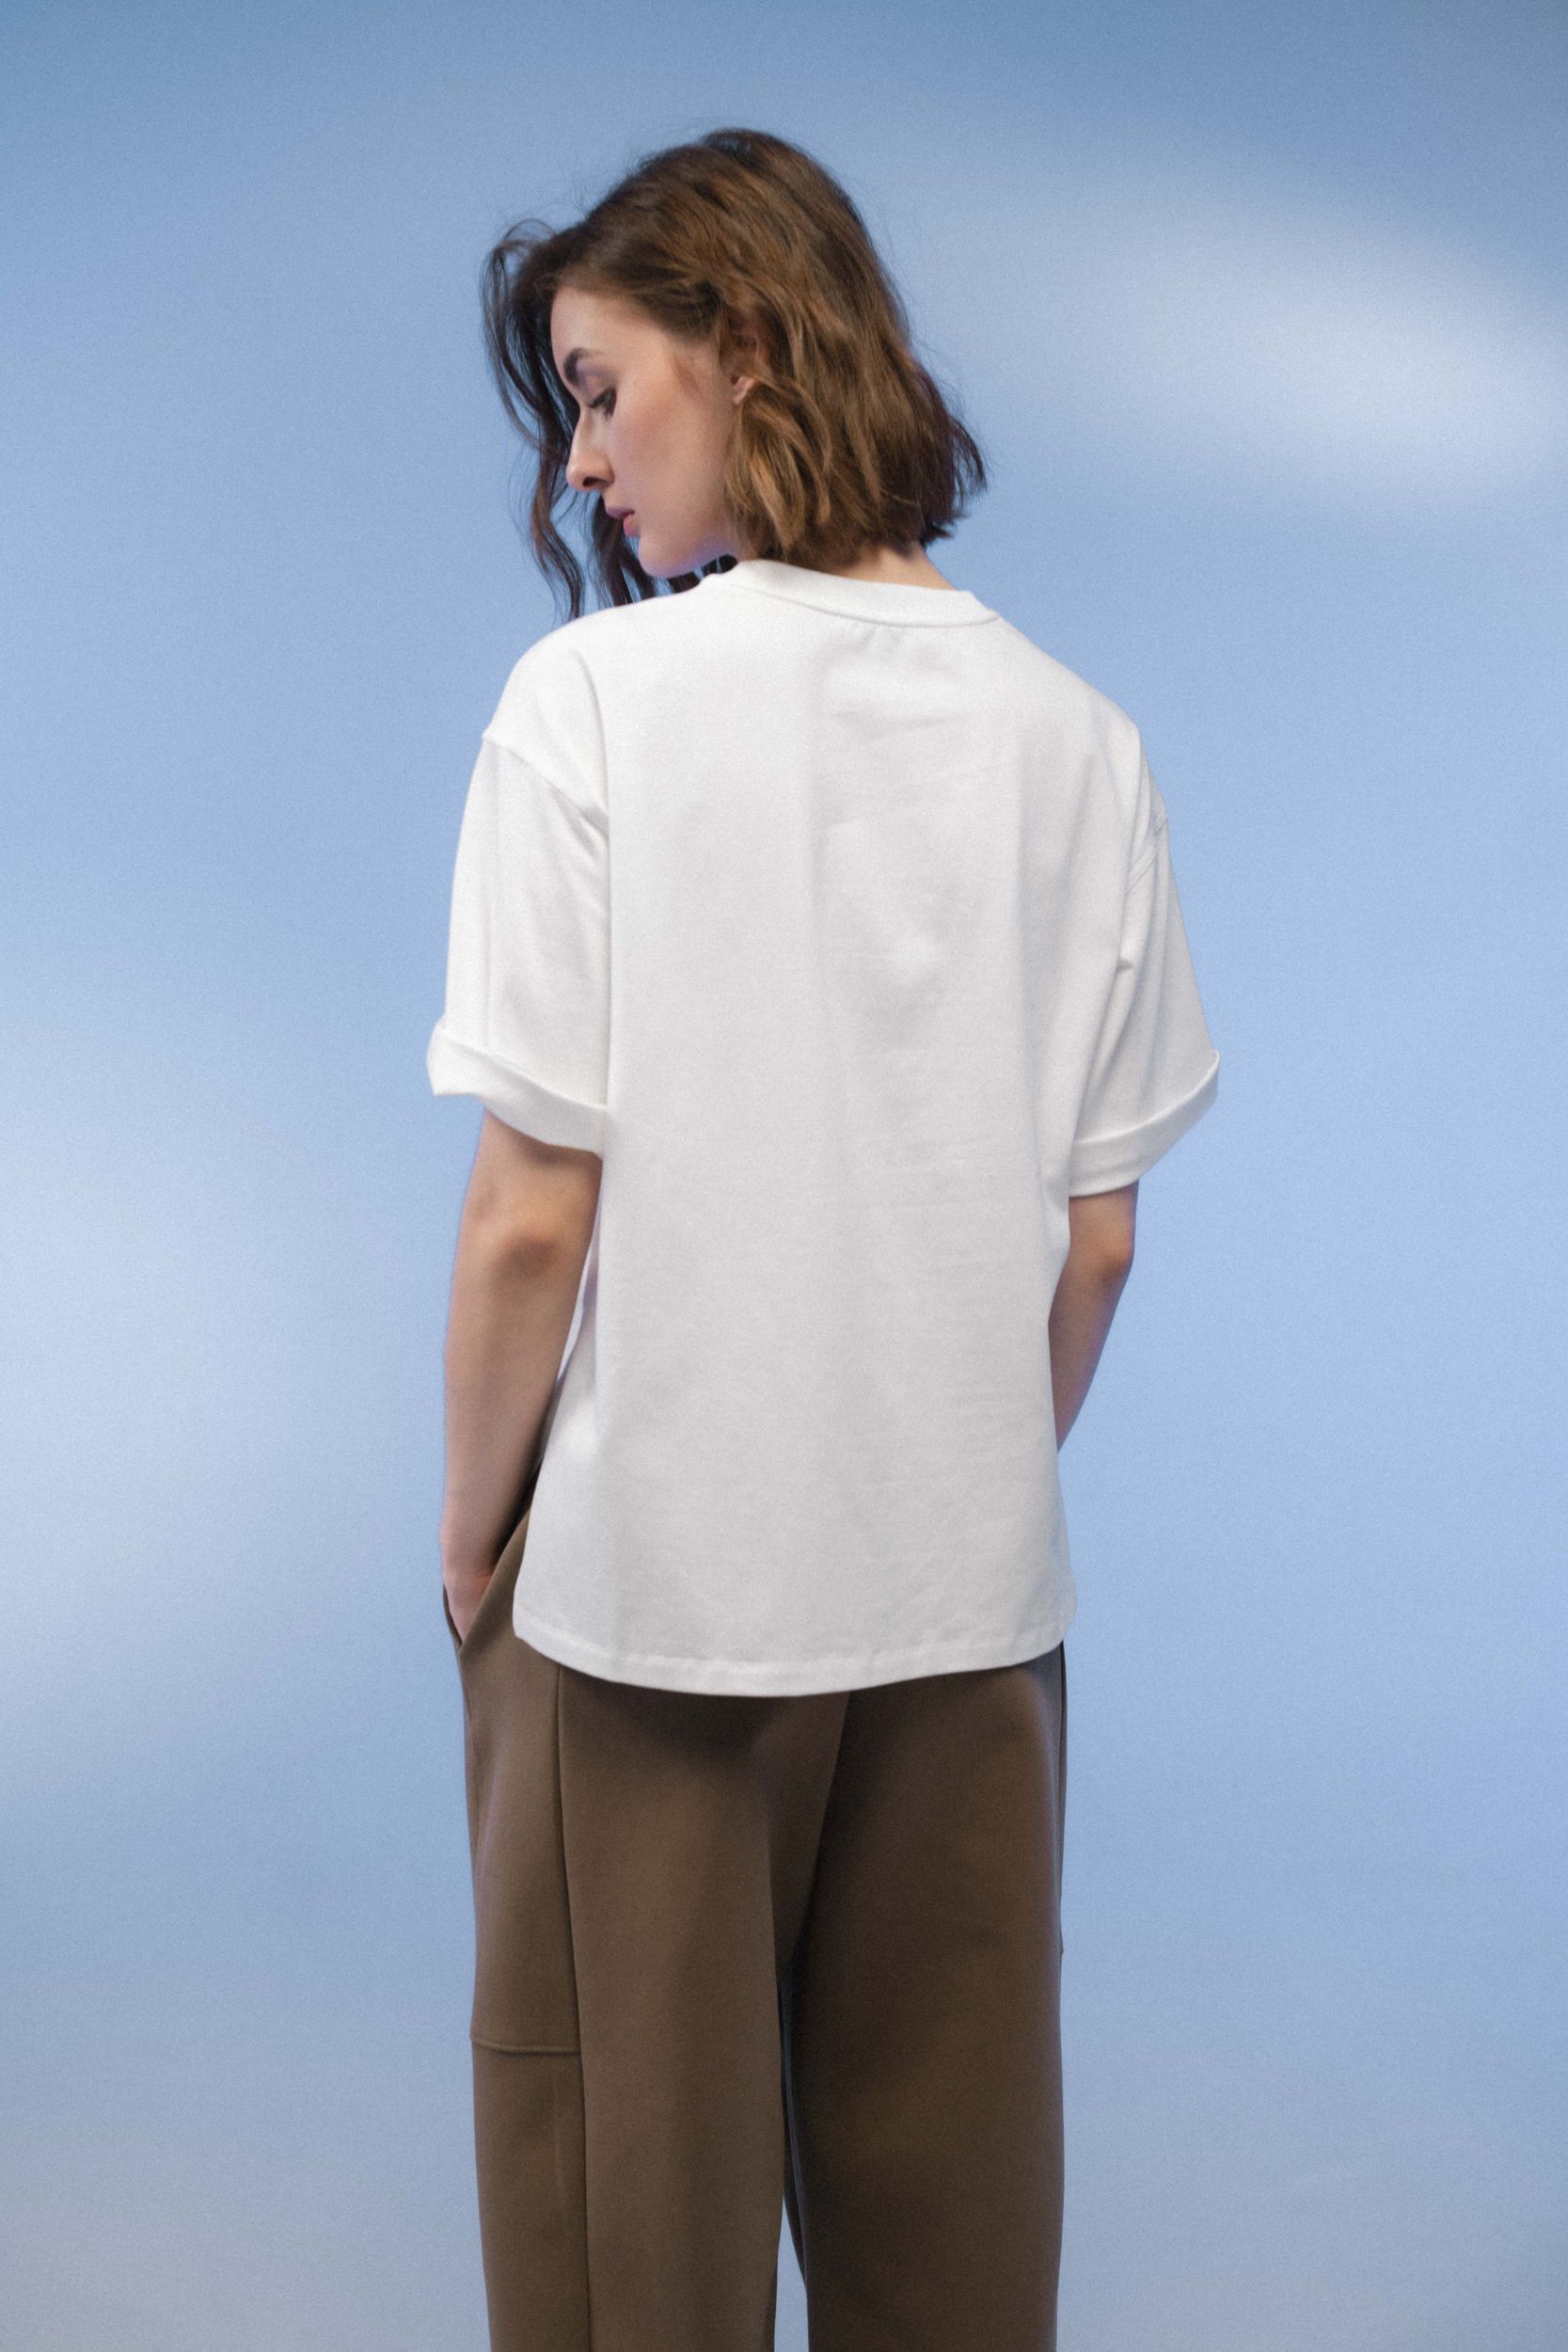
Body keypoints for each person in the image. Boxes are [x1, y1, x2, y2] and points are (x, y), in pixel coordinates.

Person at [427, 126, 1219, 2352]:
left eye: (603, 389)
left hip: (653, 1612)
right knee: (952, 2254)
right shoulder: (1081, 740)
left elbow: (531, 1217)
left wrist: (473, 1538)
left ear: (752, 344)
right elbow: (1097, 1245)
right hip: (971, 1619)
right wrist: (952, 1457)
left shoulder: (593, 705)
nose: (583, 464)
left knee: (630, 2259)